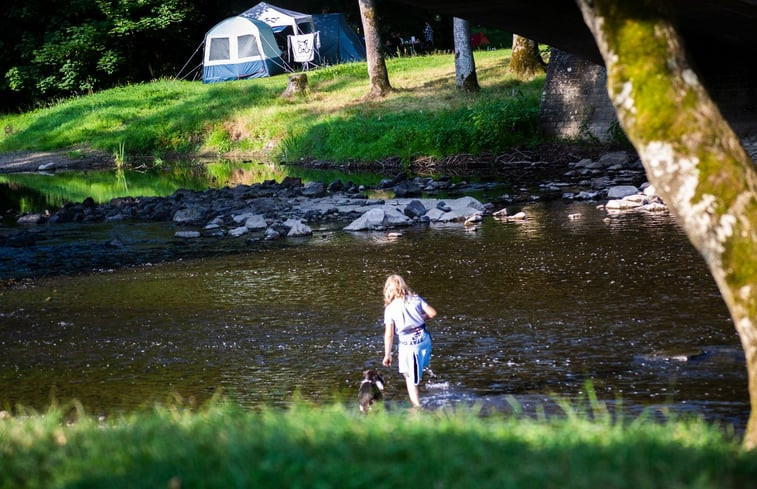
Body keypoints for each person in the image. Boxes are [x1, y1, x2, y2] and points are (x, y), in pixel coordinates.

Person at [382, 274, 437, 408]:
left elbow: (389, 334)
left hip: (408, 345)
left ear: (389, 290)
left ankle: (416, 407)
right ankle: (422, 377)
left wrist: (387, 355)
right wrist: (419, 318)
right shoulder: (416, 299)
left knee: (409, 377)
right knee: (420, 366)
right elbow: (432, 313)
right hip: (424, 338)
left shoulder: (390, 309)